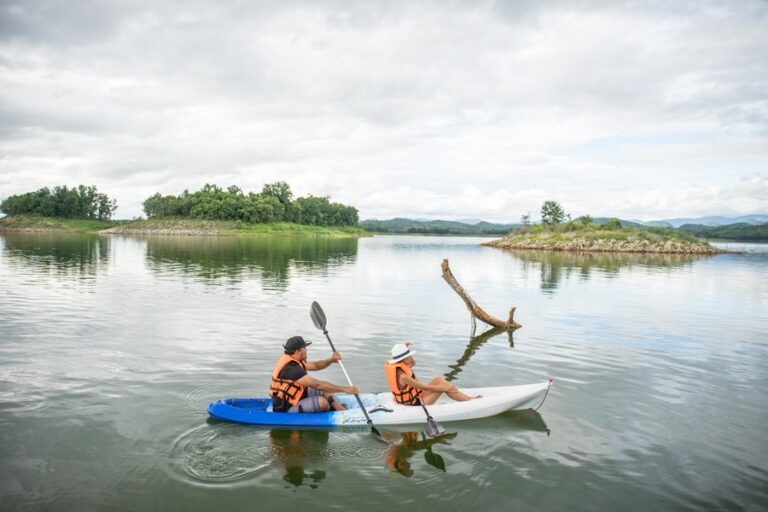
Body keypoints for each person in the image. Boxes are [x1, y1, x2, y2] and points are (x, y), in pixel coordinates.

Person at [270, 336, 358, 413]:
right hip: (287, 407)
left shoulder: (295, 359)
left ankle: (337, 407)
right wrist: (345, 389)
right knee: (323, 402)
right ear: (298, 351)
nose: (306, 350)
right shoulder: (291, 368)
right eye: (305, 348)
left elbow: (315, 365)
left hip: (298, 396)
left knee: (327, 390)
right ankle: (330, 407)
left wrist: (331, 360)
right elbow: (318, 385)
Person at [384, 342, 480, 405]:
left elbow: (413, 363)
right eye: (409, 355)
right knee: (443, 387)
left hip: (415, 395)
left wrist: (405, 348)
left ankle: (468, 399)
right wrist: (444, 388)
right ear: (403, 358)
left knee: (439, 379)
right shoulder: (403, 377)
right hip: (412, 403)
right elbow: (425, 387)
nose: (411, 357)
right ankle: (469, 402)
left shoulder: (400, 365)